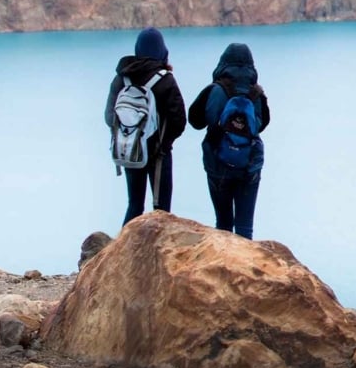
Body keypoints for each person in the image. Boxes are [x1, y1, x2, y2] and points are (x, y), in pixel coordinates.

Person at [188, 42, 271, 239]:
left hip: (218, 165)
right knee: (245, 228)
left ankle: (224, 265)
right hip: (249, 166)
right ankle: (244, 266)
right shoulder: (256, 93)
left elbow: (194, 120)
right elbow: (262, 124)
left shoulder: (216, 90)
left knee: (223, 223)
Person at [105, 26, 186, 226]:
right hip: (160, 154)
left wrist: (130, 134)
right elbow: (179, 120)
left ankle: (125, 253)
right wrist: (163, 143)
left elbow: (109, 116)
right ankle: (159, 255)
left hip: (130, 150)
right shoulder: (165, 79)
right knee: (162, 210)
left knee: (134, 205)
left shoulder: (122, 79)